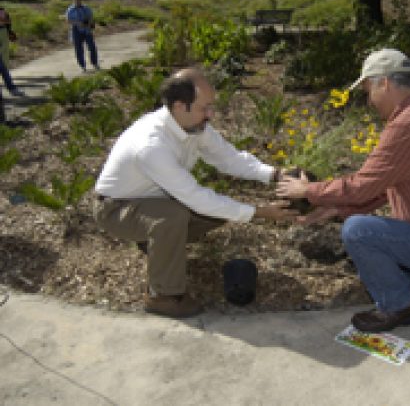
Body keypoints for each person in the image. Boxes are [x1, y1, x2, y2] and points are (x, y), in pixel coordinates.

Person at [276, 48, 410, 332]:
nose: (369, 100)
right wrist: (336, 208)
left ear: (384, 83)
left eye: (368, 90)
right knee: (370, 256)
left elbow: (363, 185)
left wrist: (308, 190)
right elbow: (387, 187)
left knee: (358, 232)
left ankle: (401, 306)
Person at [94, 67, 297, 318]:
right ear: (180, 106)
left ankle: (159, 247)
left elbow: (228, 158)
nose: (211, 114)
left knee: (216, 212)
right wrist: (260, 213)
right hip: (116, 209)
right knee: (174, 216)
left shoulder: (192, 125)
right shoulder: (151, 145)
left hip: (153, 199)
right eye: (205, 107)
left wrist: (274, 174)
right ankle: (163, 296)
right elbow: (196, 197)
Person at [65, 0, 99, 72]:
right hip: (76, 30)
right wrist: (77, 23)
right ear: (73, 0)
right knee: (78, 49)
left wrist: (89, 24)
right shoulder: (70, 10)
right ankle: (82, 66)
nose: (78, 0)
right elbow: (68, 20)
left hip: (86, 29)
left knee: (92, 47)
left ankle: (95, 63)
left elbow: (91, 17)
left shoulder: (86, 8)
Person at [0, 5, 25, 97]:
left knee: (4, 67)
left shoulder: (2, 10)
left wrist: (10, 31)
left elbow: (7, 22)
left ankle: (12, 88)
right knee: (3, 67)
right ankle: (12, 88)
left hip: (3, 40)